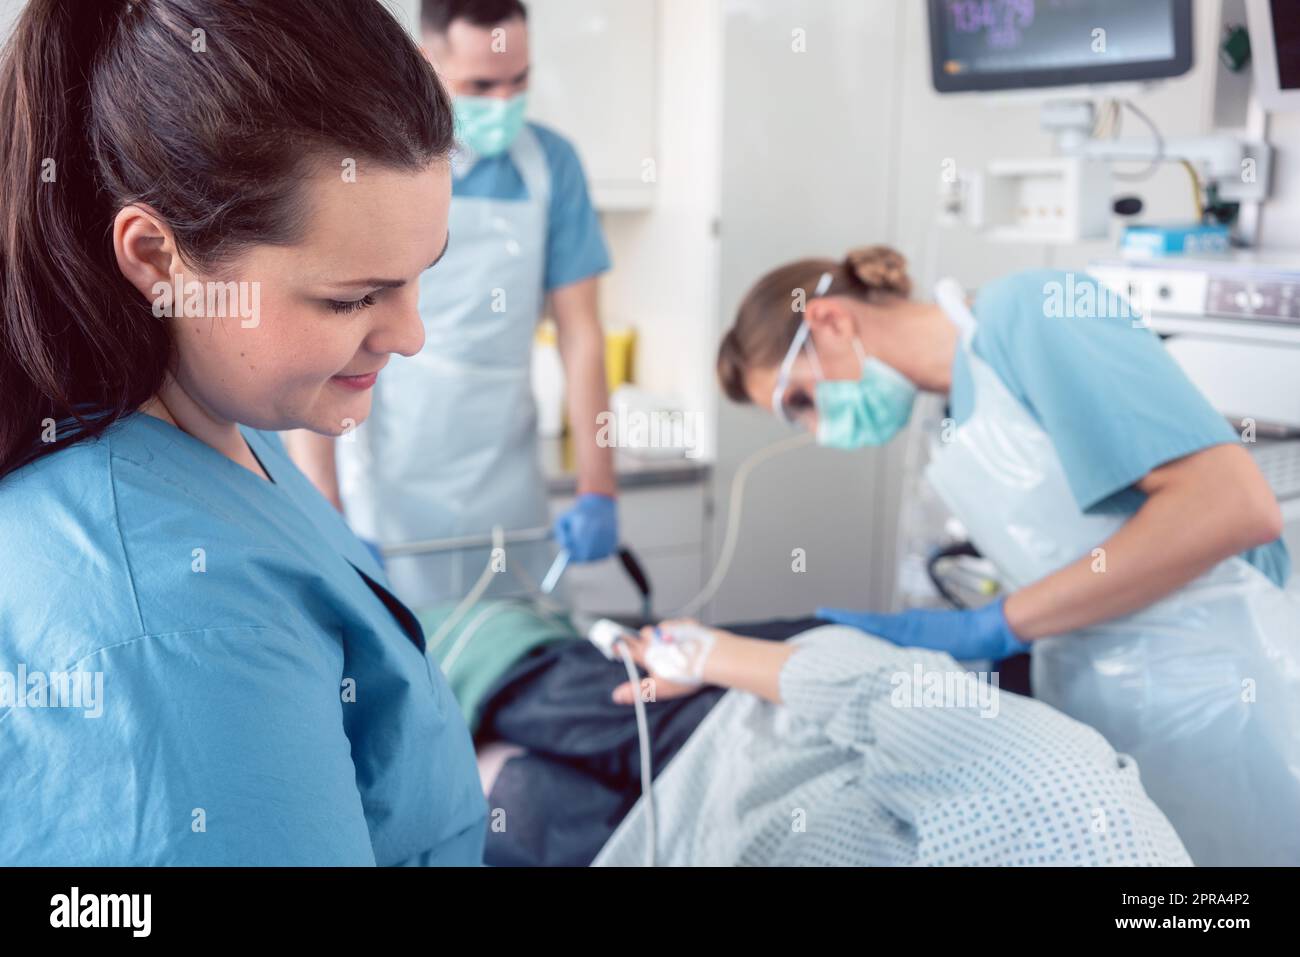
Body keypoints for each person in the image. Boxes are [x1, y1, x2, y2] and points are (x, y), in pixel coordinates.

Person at [0, 0, 484, 865]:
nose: (411, 334)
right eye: (352, 297)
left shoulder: (214, 420)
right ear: (157, 259)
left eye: (422, 275)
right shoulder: (175, 644)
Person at [713, 245, 1300, 866]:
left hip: (1224, 705)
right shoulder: (954, 411)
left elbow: (1233, 506)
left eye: (796, 401)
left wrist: (996, 625)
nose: (814, 429)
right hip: (1105, 721)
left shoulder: (1033, 312)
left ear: (830, 321)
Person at [287, 0, 618, 610]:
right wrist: (324, 506)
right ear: (425, 65)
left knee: (522, 663)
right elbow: (321, 341)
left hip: (508, 485)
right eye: (481, 85)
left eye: (519, 81)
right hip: (390, 494)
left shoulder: (553, 168)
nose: (503, 103)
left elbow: (582, 337)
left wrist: (599, 485)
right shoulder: (365, 171)